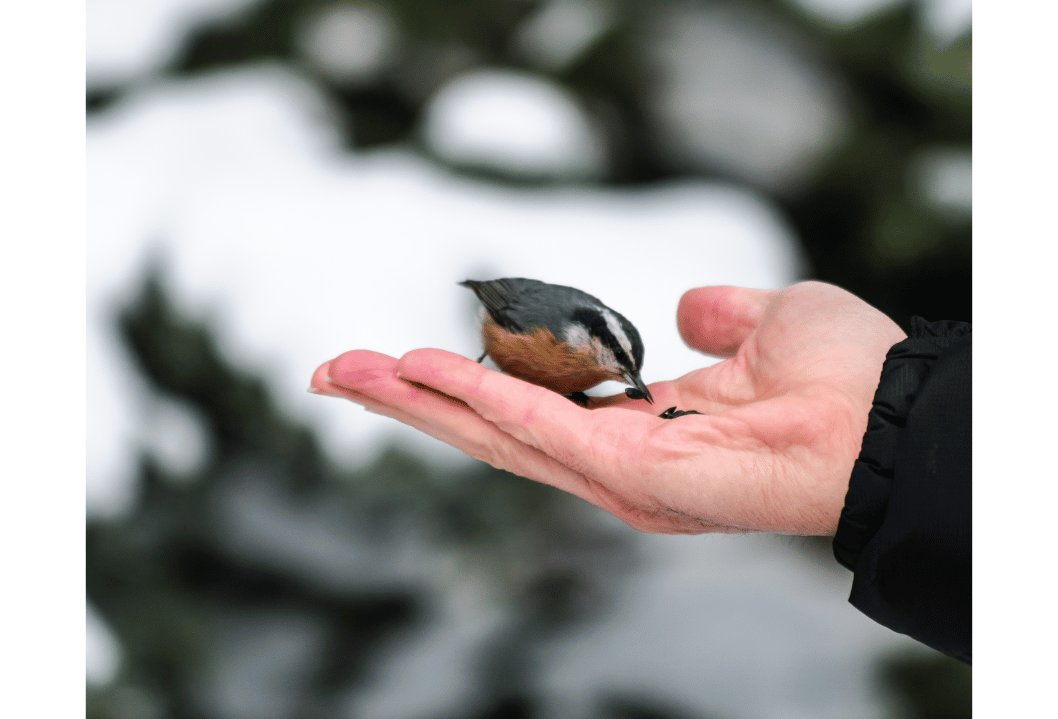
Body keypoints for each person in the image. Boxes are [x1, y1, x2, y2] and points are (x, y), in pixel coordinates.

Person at [310, 281, 971, 664]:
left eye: (631, 368)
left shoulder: (593, 359)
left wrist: (893, 428)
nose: (627, 381)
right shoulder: (535, 325)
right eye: (613, 362)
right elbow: (495, 303)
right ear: (579, 336)